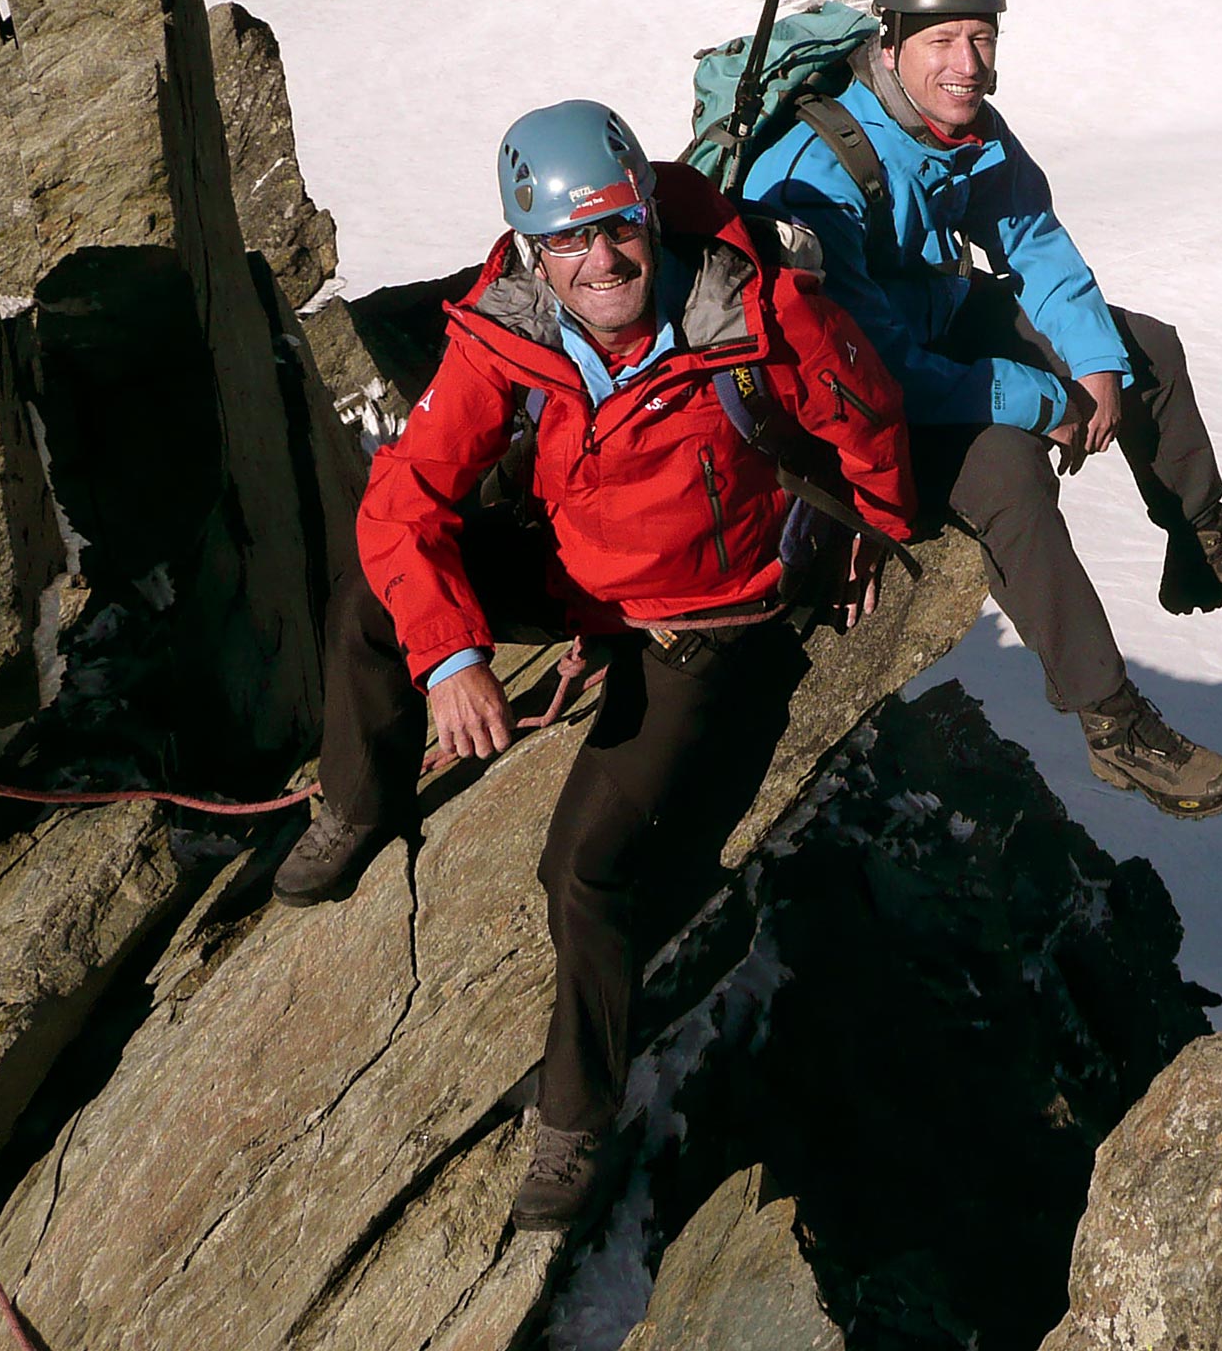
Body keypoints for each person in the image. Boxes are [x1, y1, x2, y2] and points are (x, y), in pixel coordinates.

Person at [271, 101, 912, 1242]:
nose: (603, 260)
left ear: (649, 218)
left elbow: (869, 414)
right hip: (580, 575)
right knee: (375, 590)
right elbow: (402, 499)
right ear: (529, 249)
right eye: (569, 241)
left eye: (618, 228)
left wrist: (872, 522)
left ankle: (577, 1116)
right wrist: (453, 656)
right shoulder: (503, 331)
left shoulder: (759, 313)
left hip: (702, 618)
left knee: (584, 868)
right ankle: (358, 803)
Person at [742, 0, 1222, 822]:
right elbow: (872, 365)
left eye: (982, 38)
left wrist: (1092, 364)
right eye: (943, 40)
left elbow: (1032, 241)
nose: (968, 63)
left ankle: (1201, 544)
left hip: (939, 314)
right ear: (889, 42)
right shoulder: (812, 172)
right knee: (1010, 474)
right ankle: (1114, 725)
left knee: (1144, 348)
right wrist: (1040, 396)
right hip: (860, 390)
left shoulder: (961, 121)